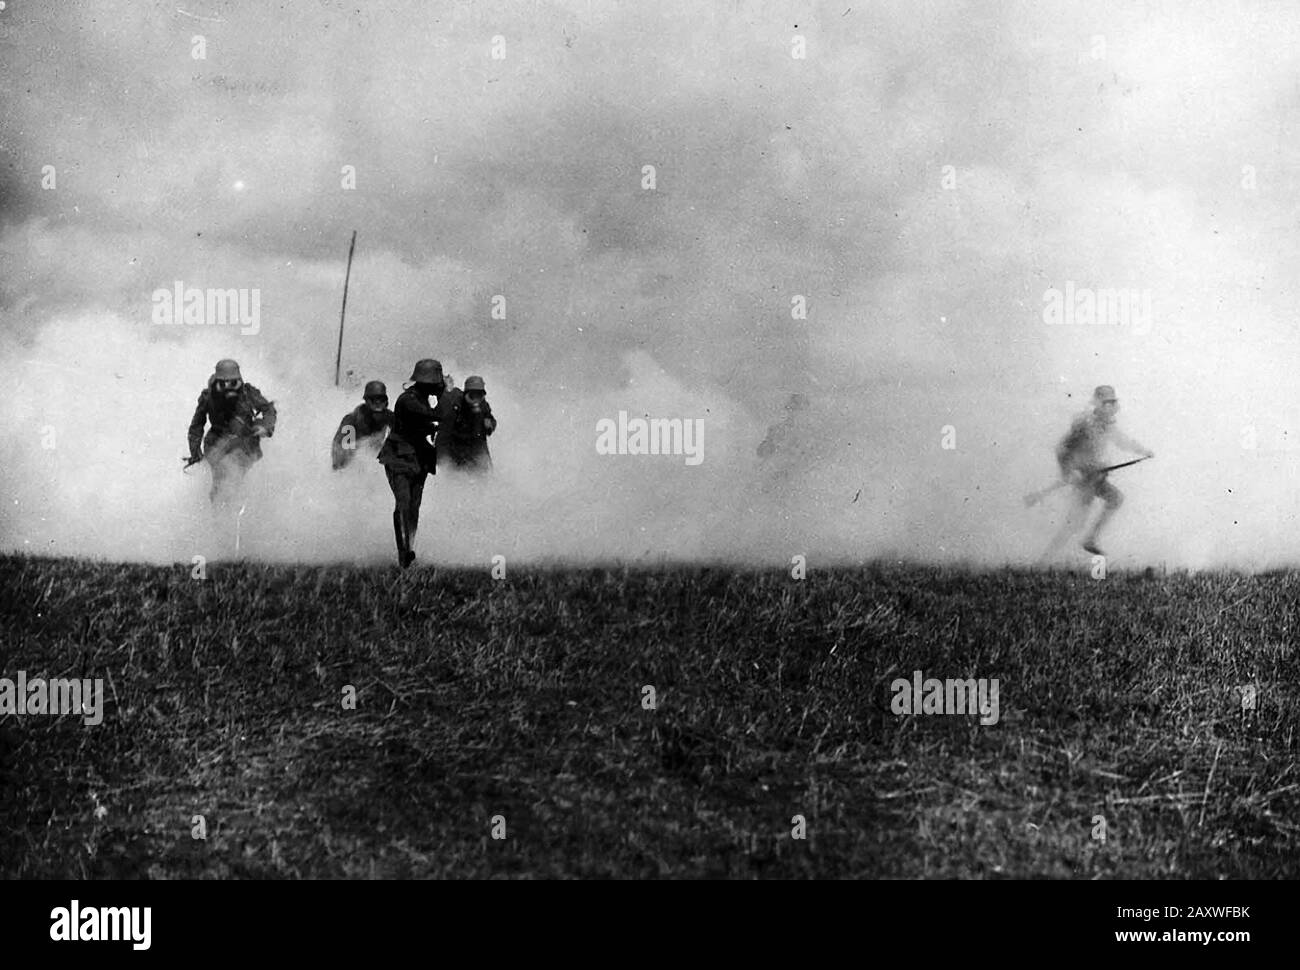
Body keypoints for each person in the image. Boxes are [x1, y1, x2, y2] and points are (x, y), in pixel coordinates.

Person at [1051, 385, 1154, 557]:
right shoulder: (1084, 424)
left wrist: (1143, 451)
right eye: (1106, 403)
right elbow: (1061, 449)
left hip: (1096, 478)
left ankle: (1090, 539)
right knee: (1075, 524)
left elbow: (1123, 442)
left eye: (1111, 403)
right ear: (1098, 404)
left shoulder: (1107, 425)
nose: (1109, 407)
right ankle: (1045, 560)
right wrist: (1068, 472)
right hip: (1084, 479)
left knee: (1115, 499)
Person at [377, 359, 454, 567]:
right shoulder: (408, 400)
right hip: (399, 457)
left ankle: (409, 549)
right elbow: (437, 416)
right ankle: (404, 555)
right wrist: (447, 393)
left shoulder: (425, 398)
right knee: (403, 503)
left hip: (419, 458)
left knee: (414, 506)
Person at [185, 359, 277, 504]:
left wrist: (265, 426)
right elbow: (196, 426)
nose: (228, 387)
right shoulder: (208, 397)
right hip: (217, 443)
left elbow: (268, 409)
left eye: (233, 382)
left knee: (238, 480)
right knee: (220, 482)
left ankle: (238, 510)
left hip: (245, 443)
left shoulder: (248, 393)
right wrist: (195, 452)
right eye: (224, 383)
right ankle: (218, 516)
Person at [439, 375, 497, 473]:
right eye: (472, 396)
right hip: (456, 451)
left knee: (484, 479)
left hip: (477, 449)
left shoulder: (483, 406)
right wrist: (442, 462)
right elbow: (443, 437)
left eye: (479, 396)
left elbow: (491, 422)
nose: (475, 400)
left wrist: (490, 424)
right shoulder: (455, 407)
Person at [331, 380, 393, 470]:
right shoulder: (351, 422)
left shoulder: (389, 417)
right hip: (350, 465)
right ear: (366, 401)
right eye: (374, 400)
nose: (378, 404)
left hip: (373, 461)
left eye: (382, 400)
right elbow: (342, 455)